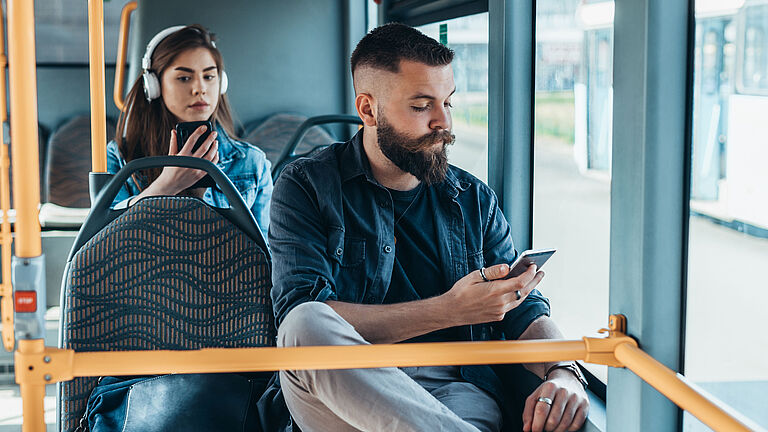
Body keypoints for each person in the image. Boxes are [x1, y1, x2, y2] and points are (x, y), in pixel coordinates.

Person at [269, 23, 589, 432]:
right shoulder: (307, 185)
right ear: (368, 110)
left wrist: (563, 370)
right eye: (422, 106)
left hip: (456, 391)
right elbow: (301, 315)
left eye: (448, 102)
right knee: (303, 322)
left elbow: (522, 307)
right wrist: (450, 310)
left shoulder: (474, 199)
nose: (443, 122)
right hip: (342, 391)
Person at [107, 24, 272, 237]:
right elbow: (106, 244)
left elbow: (266, 257)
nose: (200, 88)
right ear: (154, 85)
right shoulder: (120, 156)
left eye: (209, 77)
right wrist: (166, 186)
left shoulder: (251, 162)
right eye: (184, 78)